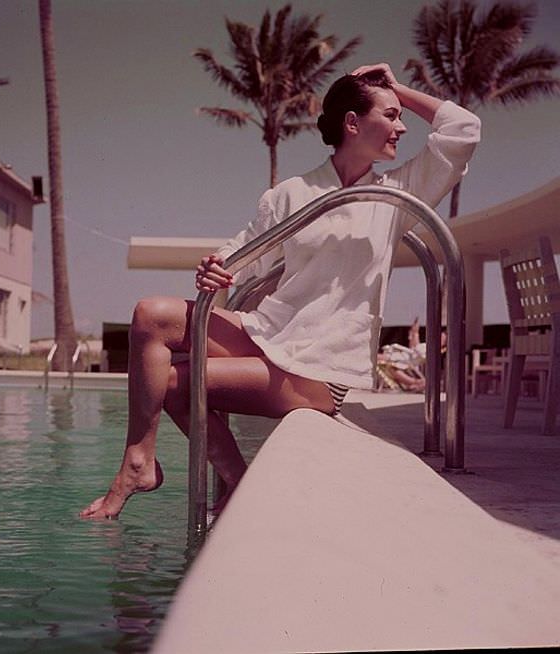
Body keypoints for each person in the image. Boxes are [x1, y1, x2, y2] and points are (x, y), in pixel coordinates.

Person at [80, 63, 481, 520]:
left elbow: (464, 129)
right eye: (390, 115)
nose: (402, 126)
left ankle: (230, 480)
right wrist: (216, 267)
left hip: (320, 367)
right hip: (269, 333)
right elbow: (242, 253)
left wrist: (396, 89)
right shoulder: (293, 192)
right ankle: (141, 458)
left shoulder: (396, 195)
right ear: (353, 122)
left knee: (173, 383)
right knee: (150, 313)